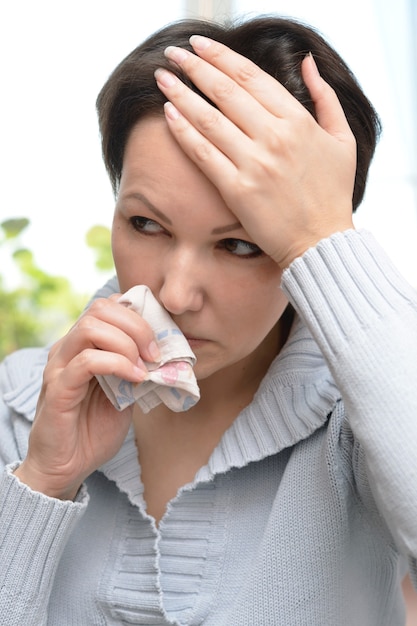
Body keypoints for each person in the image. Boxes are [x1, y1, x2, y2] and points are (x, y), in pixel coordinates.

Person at [0, 14, 416, 626]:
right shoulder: (23, 406)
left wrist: (326, 236)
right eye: (146, 224)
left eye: (241, 244)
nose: (176, 291)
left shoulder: (356, 424)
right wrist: (41, 485)